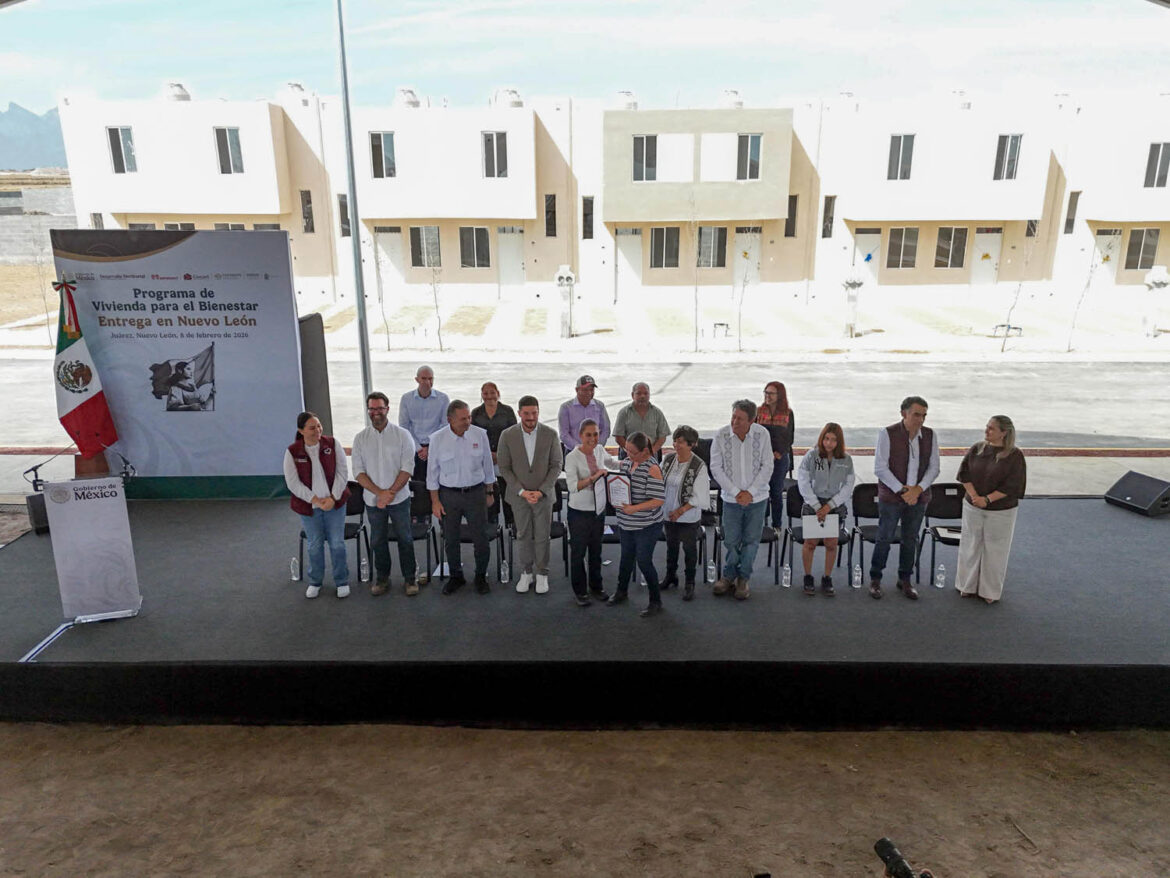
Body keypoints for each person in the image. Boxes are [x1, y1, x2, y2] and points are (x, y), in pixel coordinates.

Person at [870, 395, 940, 601]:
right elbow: (880, 468)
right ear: (904, 413)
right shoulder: (887, 433)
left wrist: (917, 490)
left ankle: (905, 579)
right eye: (916, 414)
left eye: (924, 416)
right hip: (892, 498)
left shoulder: (930, 435)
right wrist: (903, 491)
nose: (920, 420)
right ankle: (875, 579)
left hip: (918, 499)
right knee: (884, 538)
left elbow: (934, 468)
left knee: (910, 539)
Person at [351, 391, 419, 597]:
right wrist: (380, 493)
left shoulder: (402, 435)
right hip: (373, 501)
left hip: (399, 499)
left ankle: (410, 578)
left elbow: (407, 468)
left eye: (380, 408)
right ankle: (382, 578)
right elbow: (358, 472)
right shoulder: (361, 438)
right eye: (372, 409)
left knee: (405, 538)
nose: (376, 412)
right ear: (368, 410)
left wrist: (390, 493)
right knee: (377, 540)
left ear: (387, 409)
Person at [427, 400, 496, 595]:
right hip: (449, 496)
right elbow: (432, 473)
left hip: (475, 493)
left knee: (480, 537)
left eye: (469, 417)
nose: (468, 422)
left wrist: (489, 491)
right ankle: (456, 576)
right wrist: (435, 501)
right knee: (451, 538)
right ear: (450, 420)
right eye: (463, 419)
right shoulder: (437, 439)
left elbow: (488, 466)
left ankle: (481, 576)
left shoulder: (479, 434)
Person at [956, 415, 1027, 604]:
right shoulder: (977, 449)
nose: (986, 431)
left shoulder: (1014, 456)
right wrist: (974, 497)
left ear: (1004, 433)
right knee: (970, 545)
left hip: (1000, 510)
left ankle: (990, 591)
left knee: (995, 550)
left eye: (992, 429)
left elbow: (1013, 485)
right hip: (973, 506)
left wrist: (987, 499)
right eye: (986, 427)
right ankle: (966, 585)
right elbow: (964, 474)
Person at [497, 395, 562, 596]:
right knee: (523, 534)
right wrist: (522, 491)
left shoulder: (550, 434)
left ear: (538, 412)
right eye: (526, 413)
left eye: (534, 413)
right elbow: (504, 467)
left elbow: (556, 465)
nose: (530, 417)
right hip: (519, 496)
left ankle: (542, 573)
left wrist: (541, 491)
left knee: (543, 535)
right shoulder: (507, 435)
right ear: (519, 413)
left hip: (543, 496)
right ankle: (526, 572)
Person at [709, 400, 774, 601]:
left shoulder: (762, 435)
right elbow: (716, 468)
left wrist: (750, 492)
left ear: (752, 420)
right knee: (731, 539)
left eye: (740, 418)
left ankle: (743, 578)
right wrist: (737, 492)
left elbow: (768, 466)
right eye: (733, 416)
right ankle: (729, 575)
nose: (734, 421)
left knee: (751, 540)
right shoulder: (721, 435)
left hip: (758, 499)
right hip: (730, 499)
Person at [283, 411, 350, 599]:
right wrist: (314, 500)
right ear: (301, 431)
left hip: (334, 504)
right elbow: (293, 483)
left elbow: (342, 473)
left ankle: (342, 580)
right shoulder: (292, 452)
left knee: (337, 543)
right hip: (309, 507)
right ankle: (315, 581)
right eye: (312, 428)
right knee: (314, 545)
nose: (317, 430)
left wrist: (332, 498)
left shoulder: (332, 444)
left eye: (319, 426)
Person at [607, 431, 666, 617]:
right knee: (625, 558)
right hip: (626, 522)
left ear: (644, 452)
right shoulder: (628, 463)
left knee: (644, 561)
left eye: (632, 452)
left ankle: (655, 601)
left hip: (647, 524)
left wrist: (635, 508)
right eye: (626, 450)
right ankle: (621, 591)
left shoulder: (652, 468)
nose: (627, 455)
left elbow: (658, 500)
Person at [795, 422, 855, 596]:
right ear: (821, 438)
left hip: (834, 505)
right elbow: (803, 481)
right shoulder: (812, 456)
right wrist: (816, 506)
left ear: (839, 442)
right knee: (811, 543)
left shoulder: (846, 460)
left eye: (834, 440)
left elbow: (848, 486)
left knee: (831, 543)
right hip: (814, 504)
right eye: (826, 439)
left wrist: (830, 505)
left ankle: (827, 577)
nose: (829, 443)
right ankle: (808, 576)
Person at [563, 418, 617, 607]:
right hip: (579, 512)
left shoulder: (600, 450)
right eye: (589, 435)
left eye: (595, 434)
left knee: (596, 550)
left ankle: (596, 587)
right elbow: (572, 487)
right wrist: (593, 478)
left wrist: (633, 464)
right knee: (578, 553)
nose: (593, 438)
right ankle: (580, 591)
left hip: (598, 510)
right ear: (580, 436)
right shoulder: (572, 457)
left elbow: (613, 465)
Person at [660, 425, 711, 601]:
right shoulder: (668, 460)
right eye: (675, 440)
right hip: (668, 513)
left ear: (691, 444)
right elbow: (659, 481)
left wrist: (680, 511)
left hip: (687, 516)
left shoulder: (699, 466)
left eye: (681, 442)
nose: (676, 445)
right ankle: (671, 575)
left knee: (689, 549)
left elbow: (700, 496)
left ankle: (690, 582)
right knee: (671, 547)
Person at [399, 365, 449, 480]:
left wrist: (430, 447)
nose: (427, 382)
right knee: (418, 485)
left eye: (430, 379)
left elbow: (444, 425)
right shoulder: (406, 399)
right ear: (417, 380)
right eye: (424, 378)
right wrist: (419, 449)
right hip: (414, 449)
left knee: (439, 482)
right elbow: (404, 426)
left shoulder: (443, 398)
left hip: (437, 447)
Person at [756, 380, 794, 526]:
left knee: (776, 492)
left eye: (771, 393)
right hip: (761, 459)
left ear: (780, 395)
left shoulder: (788, 413)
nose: (767, 396)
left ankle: (776, 524)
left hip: (779, 458)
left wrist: (778, 453)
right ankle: (761, 523)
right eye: (766, 392)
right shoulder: (758, 411)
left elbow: (790, 437)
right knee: (761, 491)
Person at [614, 382, 670, 459]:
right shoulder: (624, 412)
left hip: (651, 455)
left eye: (646, 393)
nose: (642, 396)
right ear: (632, 395)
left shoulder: (657, 413)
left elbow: (662, 437)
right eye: (638, 393)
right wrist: (632, 452)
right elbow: (618, 436)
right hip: (628, 455)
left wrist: (651, 452)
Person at [558, 375, 610, 457]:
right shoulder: (566, 407)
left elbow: (606, 429)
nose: (589, 393)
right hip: (573, 453)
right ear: (577, 390)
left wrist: (597, 447)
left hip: (595, 453)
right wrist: (580, 449)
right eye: (585, 390)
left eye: (591, 390)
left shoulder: (600, 406)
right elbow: (564, 434)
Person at [470, 381, 517, 468]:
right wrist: (487, 454)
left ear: (498, 393)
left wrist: (499, 455)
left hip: (504, 457)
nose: (489, 396)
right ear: (481, 395)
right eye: (485, 393)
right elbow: (472, 436)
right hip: (481, 457)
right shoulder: (475, 412)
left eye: (492, 393)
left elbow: (514, 435)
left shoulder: (507, 411)